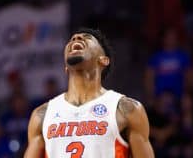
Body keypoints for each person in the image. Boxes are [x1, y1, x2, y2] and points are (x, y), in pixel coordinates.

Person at [23, 28, 154, 158]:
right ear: (65, 68)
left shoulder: (126, 109)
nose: (76, 38)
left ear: (103, 60)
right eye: (72, 39)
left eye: (87, 38)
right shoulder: (42, 115)